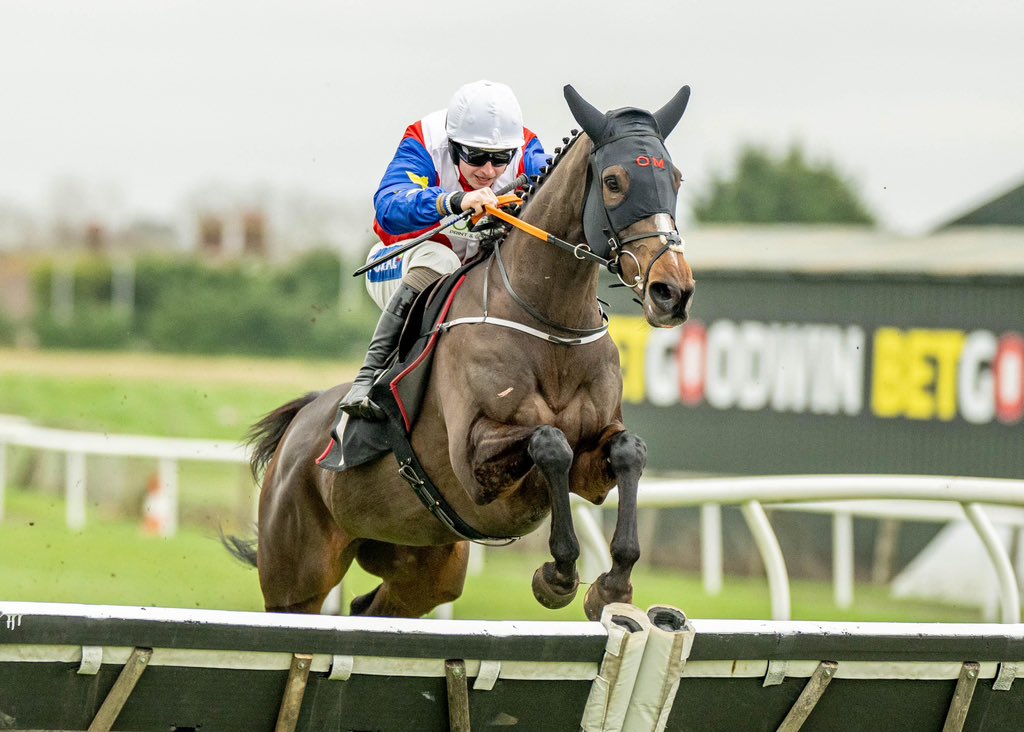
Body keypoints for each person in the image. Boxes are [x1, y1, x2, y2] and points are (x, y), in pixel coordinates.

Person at [337, 80, 549, 422]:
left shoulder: (527, 149)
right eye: (476, 156)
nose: (488, 171)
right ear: (452, 145)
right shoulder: (424, 141)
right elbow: (388, 207)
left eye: (500, 159)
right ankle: (367, 380)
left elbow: (556, 199)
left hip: (475, 276)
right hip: (399, 262)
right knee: (441, 259)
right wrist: (453, 201)